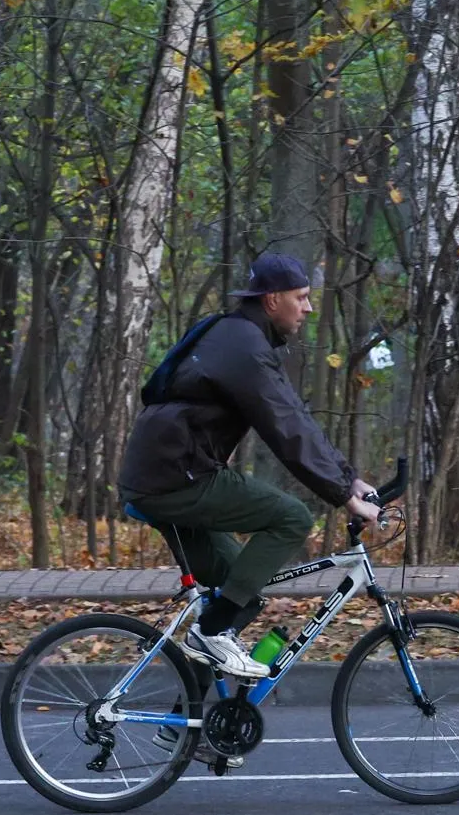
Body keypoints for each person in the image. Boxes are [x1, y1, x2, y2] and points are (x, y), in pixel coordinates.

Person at [118, 252, 383, 680]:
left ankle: (192, 732)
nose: (309, 307)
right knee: (292, 518)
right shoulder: (243, 348)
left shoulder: (239, 338)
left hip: (164, 473)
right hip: (176, 476)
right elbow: (285, 428)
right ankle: (211, 634)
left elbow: (295, 416)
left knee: (238, 597)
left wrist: (348, 478)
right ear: (272, 300)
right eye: (301, 297)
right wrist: (342, 496)